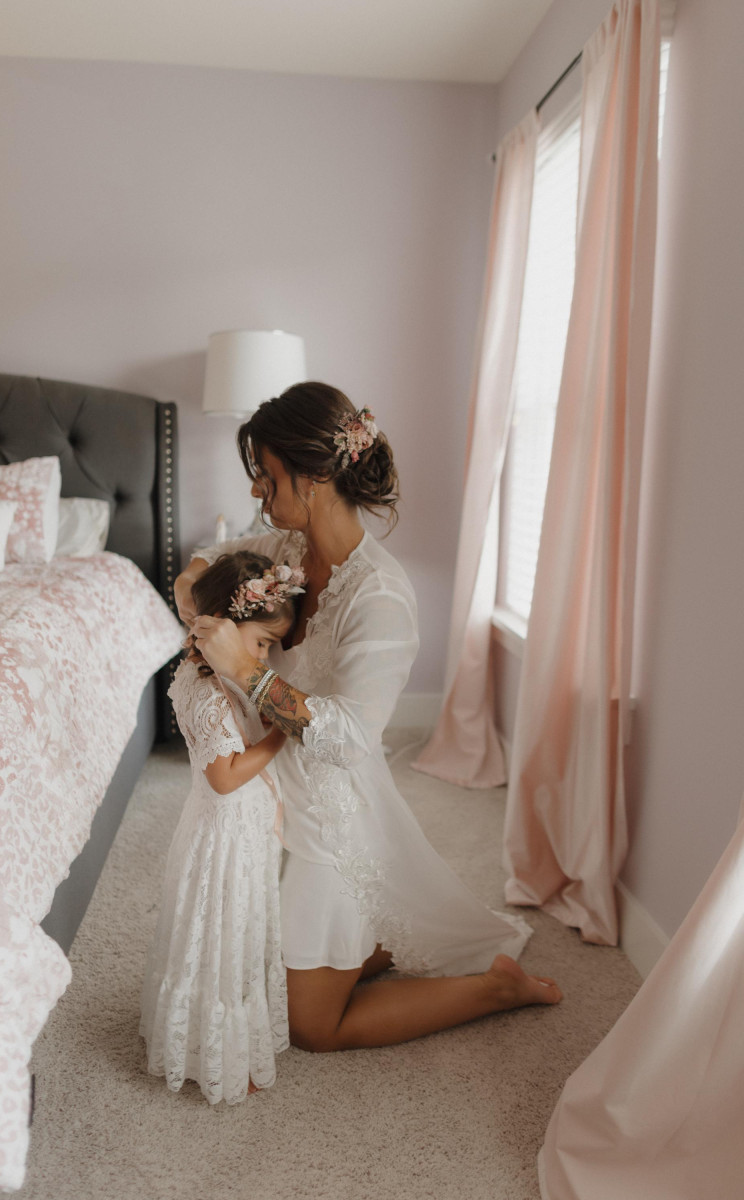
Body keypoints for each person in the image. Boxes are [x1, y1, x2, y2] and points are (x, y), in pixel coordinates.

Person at [176, 382, 561, 1055]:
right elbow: (211, 559)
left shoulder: (380, 595)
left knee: (309, 1025)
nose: (259, 494)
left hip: (328, 811)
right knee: (248, 968)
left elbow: (350, 738)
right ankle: (358, 944)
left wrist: (246, 671)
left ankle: (497, 988)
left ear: (316, 476)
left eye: (267, 478)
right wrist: (195, 591)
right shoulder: (287, 551)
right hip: (269, 796)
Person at [140, 550, 305, 1104]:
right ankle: (220, 1054)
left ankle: (219, 1042)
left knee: (231, 933)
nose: (262, 658)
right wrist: (279, 733)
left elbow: (194, 572)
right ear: (224, 626)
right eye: (259, 643)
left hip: (236, 831)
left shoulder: (204, 668)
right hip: (225, 835)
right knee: (223, 938)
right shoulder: (209, 693)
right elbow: (226, 777)